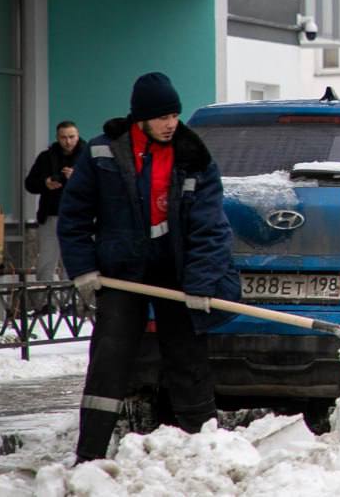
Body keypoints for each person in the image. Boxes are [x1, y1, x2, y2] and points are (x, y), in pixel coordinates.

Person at [58, 72, 240, 463]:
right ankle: (89, 455)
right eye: (161, 117)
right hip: (122, 272)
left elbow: (211, 227)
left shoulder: (194, 157)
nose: (170, 123)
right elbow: (73, 217)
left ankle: (204, 451)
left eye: (174, 114)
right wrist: (84, 269)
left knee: (187, 356)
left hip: (177, 273)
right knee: (110, 356)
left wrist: (202, 282)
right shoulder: (103, 153)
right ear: (140, 117)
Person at [23, 121, 85, 284]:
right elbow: (29, 183)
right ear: (57, 138)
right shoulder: (46, 157)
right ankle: (45, 303)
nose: (68, 141)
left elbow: (100, 185)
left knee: (72, 263)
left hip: (78, 217)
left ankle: (69, 303)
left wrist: (77, 178)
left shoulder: (87, 157)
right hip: (50, 214)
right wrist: (46, 183)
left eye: (72, 137)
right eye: (63, 137)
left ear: (78, 136)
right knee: (46, 262)